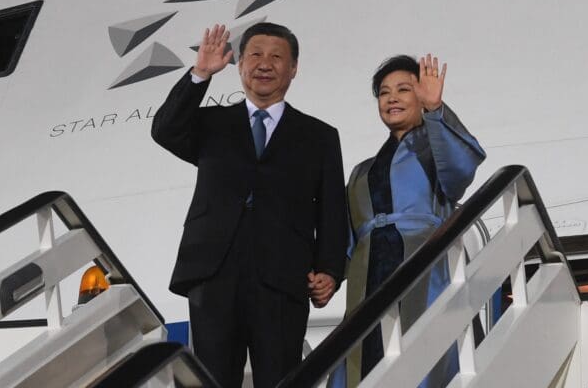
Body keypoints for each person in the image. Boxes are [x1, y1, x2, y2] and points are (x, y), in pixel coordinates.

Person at [151, 23, 348, 388]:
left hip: (283, 277)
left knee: (282, 379)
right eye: (255, 54)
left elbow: (333, 209)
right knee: (210, 379)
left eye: (277, 56)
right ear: (240, 64)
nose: (265, 64)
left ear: (293, 69)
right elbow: (165, 130)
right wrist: (200, 75)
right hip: (214, 272)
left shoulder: (319, 136)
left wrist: (331, 269)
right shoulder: (211, 123)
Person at [342, 54, 486, 387]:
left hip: (423, 266)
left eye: (404, 89)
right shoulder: (362, 171)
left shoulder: (434, 149)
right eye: (384, 92)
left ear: (420, 96)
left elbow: (461, 170)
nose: (392, 98)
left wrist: (436, 111)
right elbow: (349, 238)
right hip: (369, 278)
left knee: (422, 355)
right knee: (366, 360)